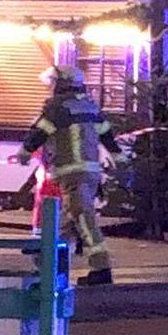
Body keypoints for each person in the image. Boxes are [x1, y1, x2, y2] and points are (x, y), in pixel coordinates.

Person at [21, 64, 121, 285]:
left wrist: (23, 153)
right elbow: (107, 134)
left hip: (70, 174)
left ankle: (101, 269)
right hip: (90, 174)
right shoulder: (90, 107)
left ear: (61, 84)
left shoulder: (57, 108)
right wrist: (117, 156)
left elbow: (39, 132)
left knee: (84, 219)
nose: (51, 88)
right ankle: (50, 266)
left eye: (53, 83)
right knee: (66, 222)